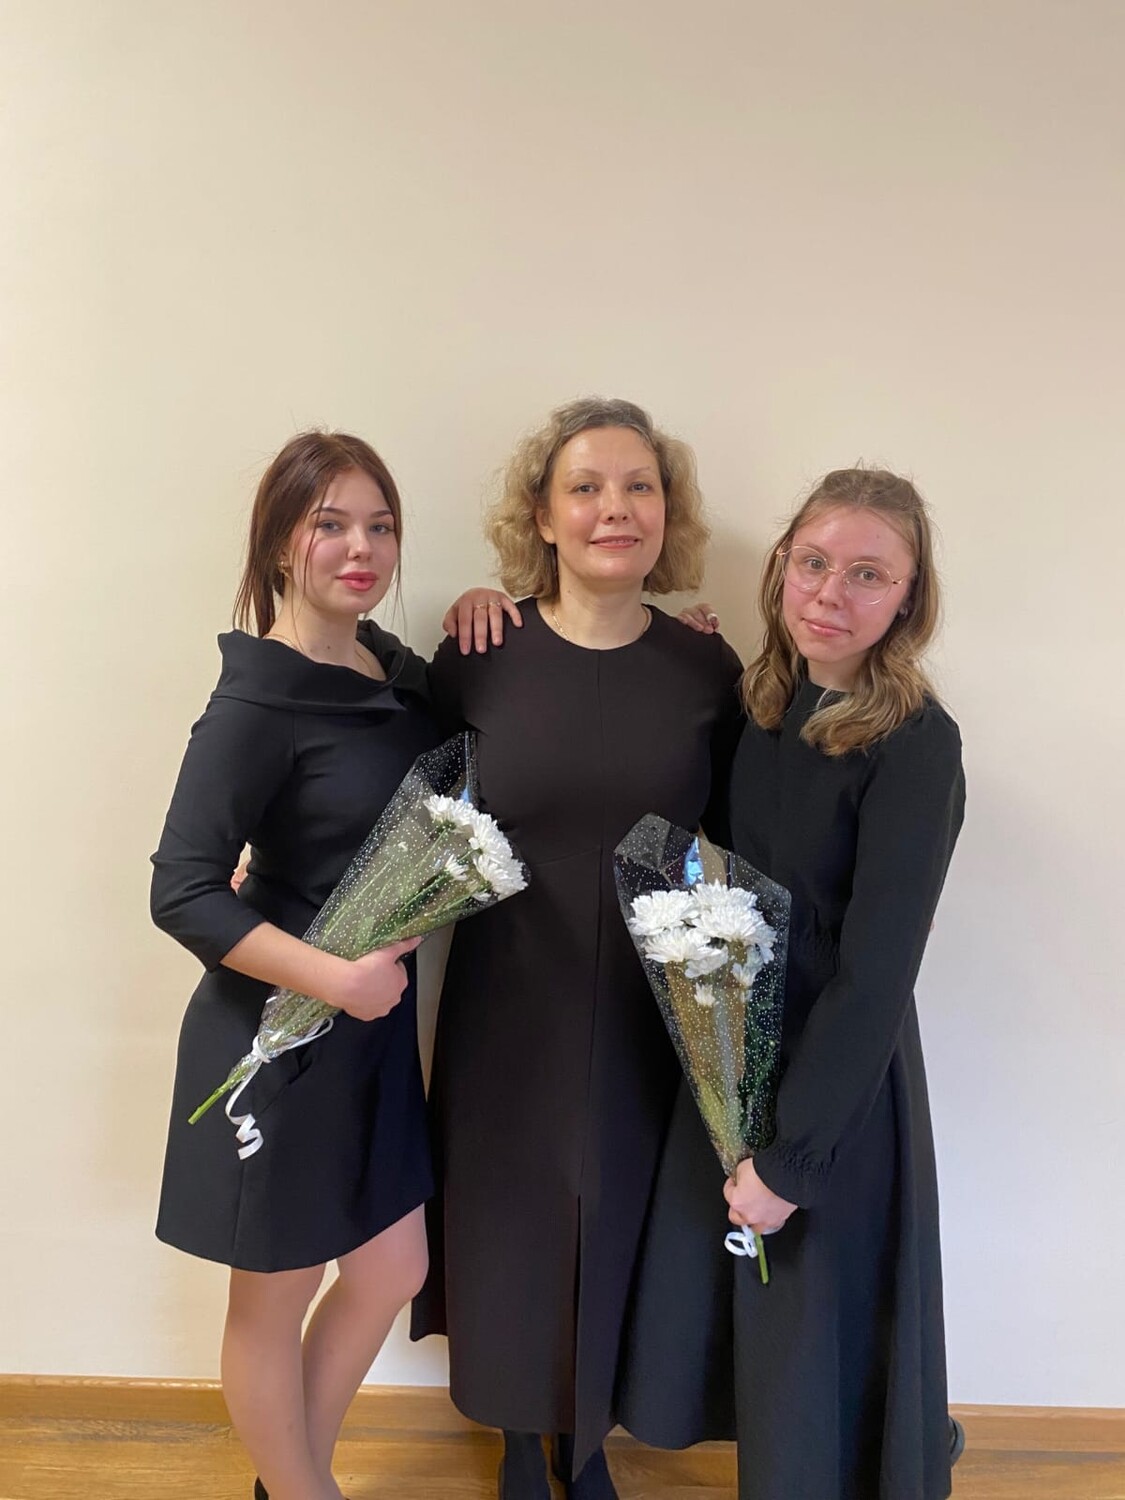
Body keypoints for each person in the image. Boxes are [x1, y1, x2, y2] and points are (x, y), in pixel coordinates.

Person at [410, 397, 743, 1500]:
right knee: (508, 1215)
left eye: (639, 486)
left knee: (623, 1214)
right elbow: (404, 806)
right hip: (509, 996)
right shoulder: (479, 654)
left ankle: (587, 1440)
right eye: (586, 488)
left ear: (666, 513)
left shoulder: (706, 669)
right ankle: (517, 1435)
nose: (615, 508)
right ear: (543, 517)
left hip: (652, 1008)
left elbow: (734, 837)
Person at [617, 466, 966, 1500]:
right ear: (780, 566)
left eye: (868, 574)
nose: (830, 593)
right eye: (812, 562)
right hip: (736, 1048)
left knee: (821, 1342)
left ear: (908, 595)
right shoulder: (756, 705)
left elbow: (877, 972)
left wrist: (794, 1157)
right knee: (764, 1339)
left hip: (836, 1082)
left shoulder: (915, 743)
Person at [151, 432, 439, 1500]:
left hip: (368, 1035)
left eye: (380, 526)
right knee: (277, 1290)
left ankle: (290, 1482)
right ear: (281, 544)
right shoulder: (254, 703)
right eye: (331, 525)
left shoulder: (390, 674)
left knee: (393, 1267)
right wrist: (338, 981)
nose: (361, 548)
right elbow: (182, 888)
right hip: (276, 1035)